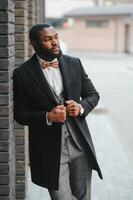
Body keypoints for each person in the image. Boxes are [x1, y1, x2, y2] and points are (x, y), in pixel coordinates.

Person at [13, 24, 102, 200]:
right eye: (47, 40)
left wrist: (81, 107)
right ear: (34, 43)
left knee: (84, 196)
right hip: (50, 152)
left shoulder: (74, 63)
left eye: (56, 37)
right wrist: (48, 116)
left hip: (80, 146)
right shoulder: (22, 74)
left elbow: (93, 94)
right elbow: (21, 115)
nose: (55, 43)